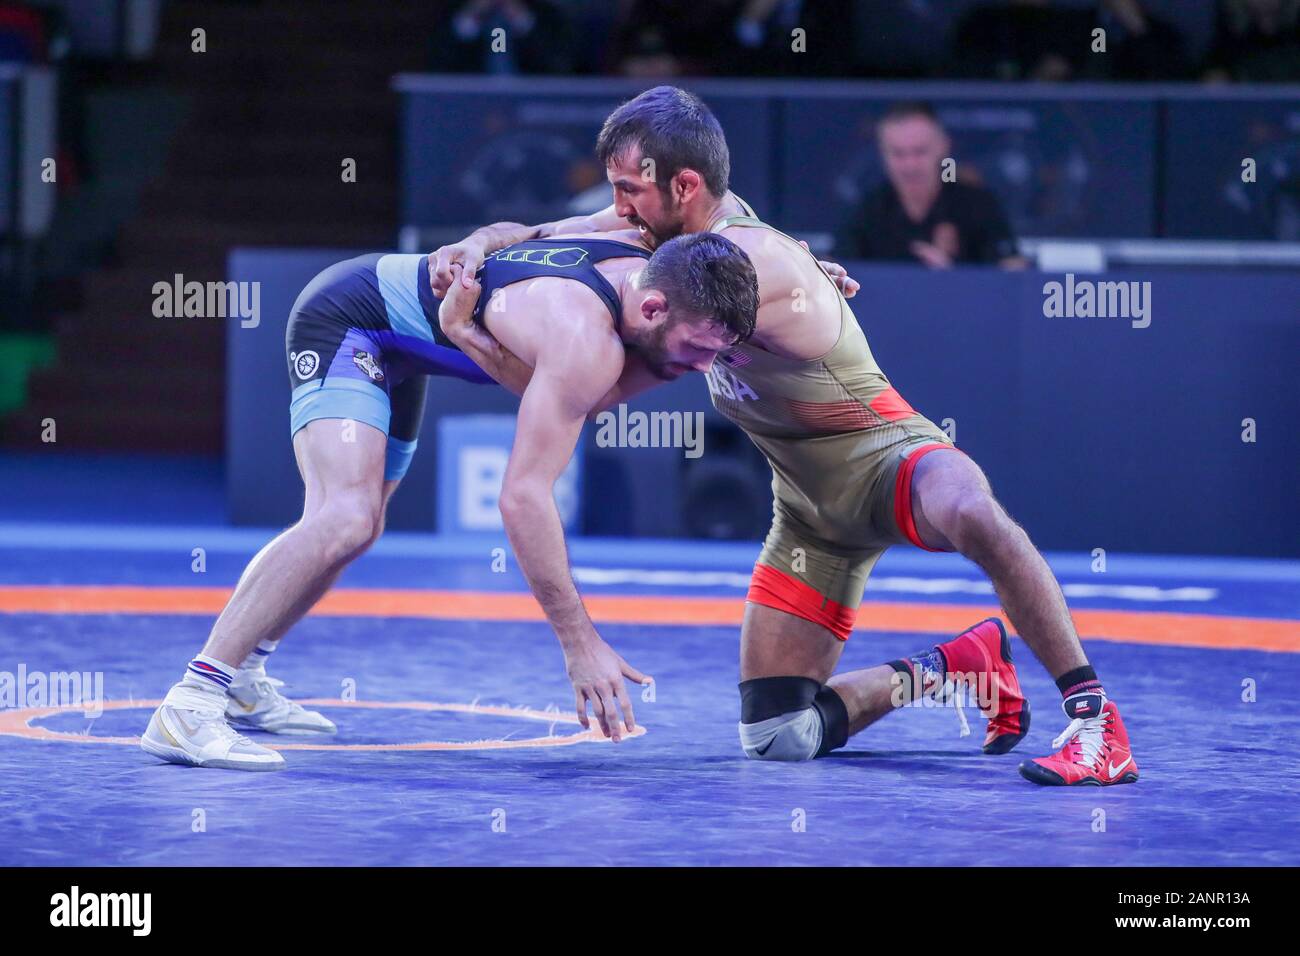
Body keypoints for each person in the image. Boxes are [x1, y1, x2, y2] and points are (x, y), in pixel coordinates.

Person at [430, 86, 1138, 786]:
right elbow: (542, 236)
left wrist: (804, 272)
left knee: (971, 510)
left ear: (684, 185)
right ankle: (959, 664)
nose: (617, 210)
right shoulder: (670, 239)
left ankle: (1095, 720)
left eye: (629, 191)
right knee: (777, 738)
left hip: (892, 461)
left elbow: (744, 278)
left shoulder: (742, 265)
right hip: (807, 514)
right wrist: (474, 243)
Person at [140, 229, 760, 770]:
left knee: (364, 523)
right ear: (652, 307)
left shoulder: (647, 259)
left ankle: (246, 678)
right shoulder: (584, 342)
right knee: (343, 516)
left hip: (405, 350)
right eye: (701, 349)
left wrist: (469, 292)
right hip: (349, 318)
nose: (709, 366)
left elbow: (531, 229)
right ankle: (191, 704)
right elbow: (522, 496)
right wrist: (580, 643)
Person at [836, 101, 1026, 269]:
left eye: (920, 152)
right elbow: (836, 265)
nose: (910, 165)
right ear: (882, 153)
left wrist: (953, 277)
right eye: (898, 153)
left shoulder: (976, 204)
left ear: (943, 146)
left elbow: (1012, 269)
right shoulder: (869, 207)